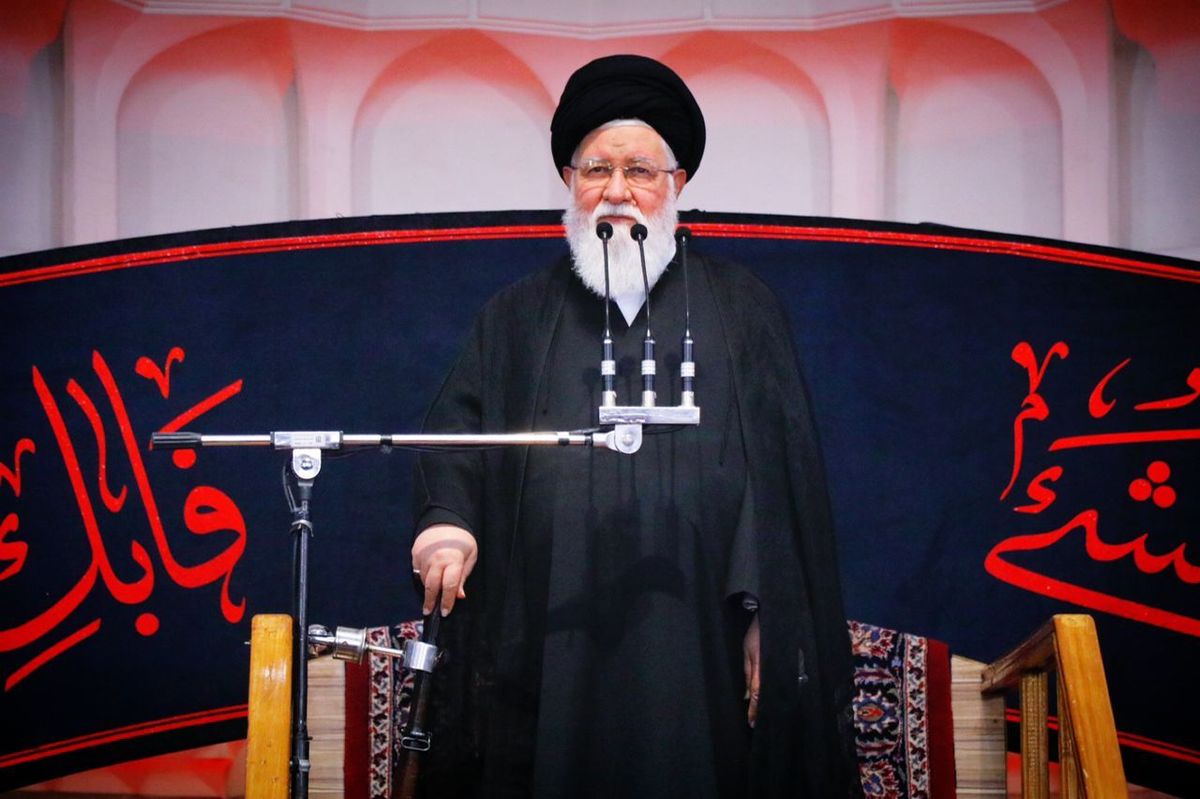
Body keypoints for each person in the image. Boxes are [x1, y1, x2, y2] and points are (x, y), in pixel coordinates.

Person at [411, 54, 862, 798]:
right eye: (596, 169)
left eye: (639, 171)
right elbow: (459, 432)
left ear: (676, 184)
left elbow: (780, 479)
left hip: (699, 630)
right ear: (569, 182)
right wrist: (446, 524)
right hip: (548, 623)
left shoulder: (742, 306)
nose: (616, 190)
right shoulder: (517, 314)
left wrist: (766, 612)